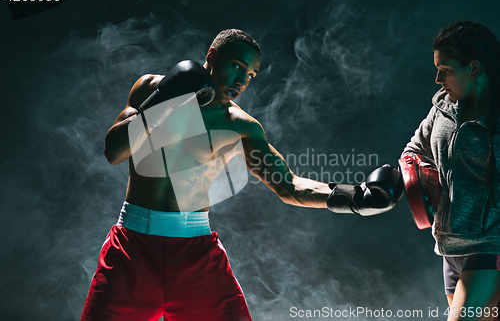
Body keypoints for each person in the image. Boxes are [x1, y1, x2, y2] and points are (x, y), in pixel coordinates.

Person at [80, 29, 403, 321]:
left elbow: (288, 186)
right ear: (211, 57)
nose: (242, 80)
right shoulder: (151, 87)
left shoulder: (241, 126)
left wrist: (355, 198)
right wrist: (167, 101)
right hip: (132, 249)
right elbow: (114, 152)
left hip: (194, 256)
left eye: (250, 74)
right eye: (236, 65)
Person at [401, 21, 500, 321]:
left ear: (473, 68)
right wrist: (415, 177)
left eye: (445, 70)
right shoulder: (442, 109)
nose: (437, 78)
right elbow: (413, 151)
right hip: (448, 249)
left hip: (489, 247)